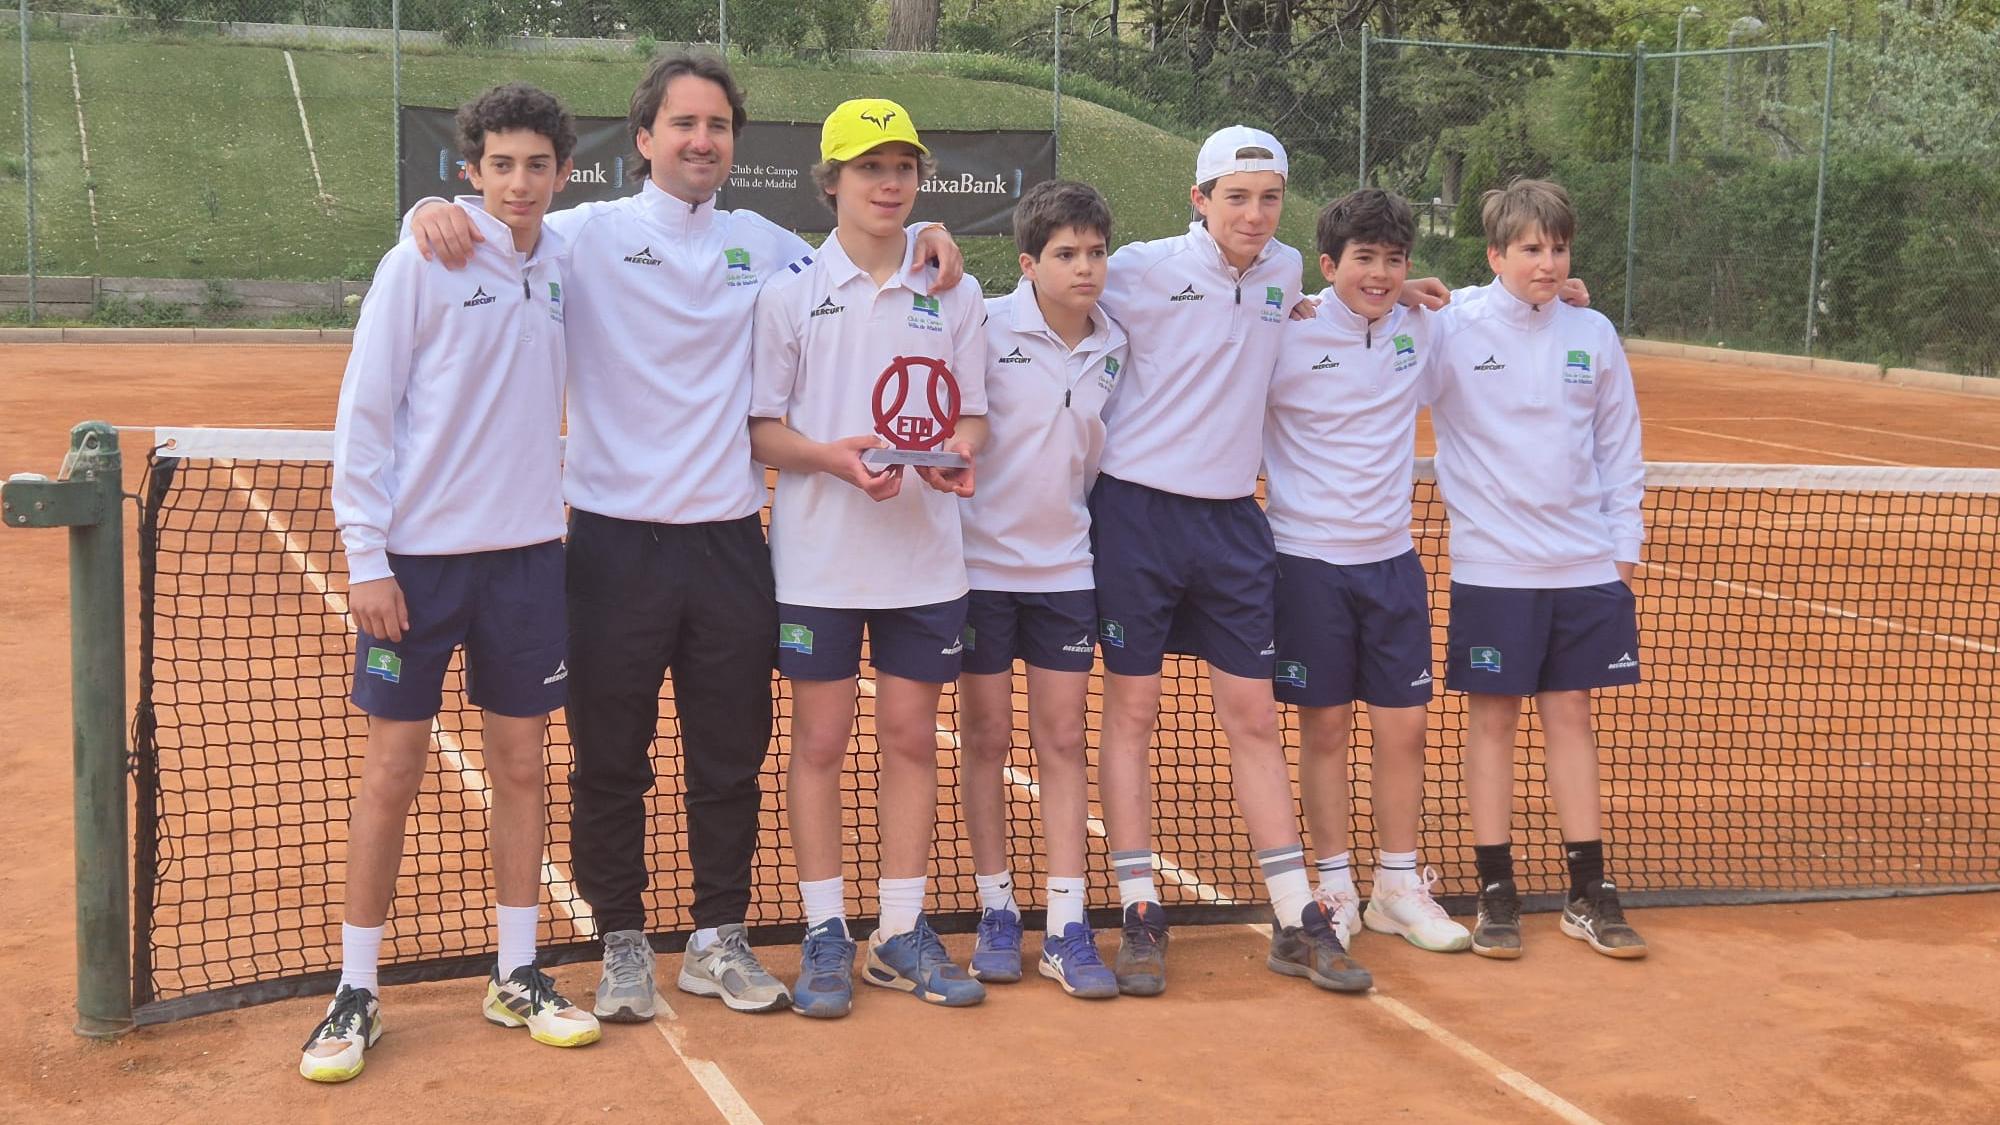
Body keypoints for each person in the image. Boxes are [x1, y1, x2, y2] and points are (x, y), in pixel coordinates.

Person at [404, 54, 965, 1019]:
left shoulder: (768, 245)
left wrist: (925, 229)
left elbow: (861, 251)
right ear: (647, 138)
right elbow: (498, 217)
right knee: (609, 756)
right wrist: (424, 212)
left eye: (717, 125)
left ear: (732, 142)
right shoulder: (581, 236)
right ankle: (622, 939)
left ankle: (719, 937)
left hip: (729, 549)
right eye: (683, 124)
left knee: (729, 755)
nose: (702, 140)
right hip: (612, 548)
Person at [305, 82, 597, 1083]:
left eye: (537, 165)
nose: (519, 183)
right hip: (418, 567)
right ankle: (355, 991)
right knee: (393, 771)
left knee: (521, 768)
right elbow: (365, 413)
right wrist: (368, 560)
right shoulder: (420, 260)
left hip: (526, 560)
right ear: (470, 170)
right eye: (500, 165)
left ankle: (517, 971)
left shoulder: (567, 256)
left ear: (563, 173)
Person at [1090, 126, 1370, 995]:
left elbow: (1353, 298)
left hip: (1232, 527)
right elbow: (1038, 288)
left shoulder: (1287, 270)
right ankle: (1139, 909)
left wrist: (1434, 298)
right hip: (1135, 516)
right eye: (1237, 196)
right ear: (1199, 199)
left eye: (1270, 196)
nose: (1254, 213)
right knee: (1133, 714)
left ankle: (1296, 914)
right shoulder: (1136, 268)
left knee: (1253, 717)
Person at [747, 98, 990, 1018]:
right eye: (869, 168)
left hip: (926, 562)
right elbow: (764, 432)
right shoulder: (789, 293)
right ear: (833, 182)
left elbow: (969, 414)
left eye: (904, 168)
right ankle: (822, 931)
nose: (890, 183)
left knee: (907, 742)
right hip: (818, 562)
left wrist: (958, 457)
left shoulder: (953, 289)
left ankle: (898, 930)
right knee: (817, 743)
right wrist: (835, 461)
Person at [1425, 178, 1648, 961]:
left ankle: (1589, 892)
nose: (1547, 262)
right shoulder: (1449, 329)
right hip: (1494, 570)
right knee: (1492, 723)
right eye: (1530, 248)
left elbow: (1620, 445)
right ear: (1495, 254)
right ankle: (1497, 890)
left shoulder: (1593, 331)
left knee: (1571, 722)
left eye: (1557, 248)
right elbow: (1373, 366)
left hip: (1584, 567)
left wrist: (1622, 549)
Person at [1264, 188, 1473, 957]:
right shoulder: (1287, 332)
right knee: (1323, 728)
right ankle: (1332, 881)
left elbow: (1486, 307)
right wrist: (1292, 304)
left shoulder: (1421, 326)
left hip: (1392, 565)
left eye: (1393, 260)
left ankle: (1396, 884)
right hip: (1307, 562)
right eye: (1364, 260)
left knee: (1405, 729)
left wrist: (1565, 295)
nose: (1380, 274)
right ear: (1328, 266)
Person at [956, 180, 1128, 999]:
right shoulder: (983, 325)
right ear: (1028, 263)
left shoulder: (1117, 343)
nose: (1084, 267)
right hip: (977, 573)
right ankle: (996, 907)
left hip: (1067, 571)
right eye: (1066, 254)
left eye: (1095, 252)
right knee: (985, 740)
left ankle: (1066, 924)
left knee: (1061, 742)